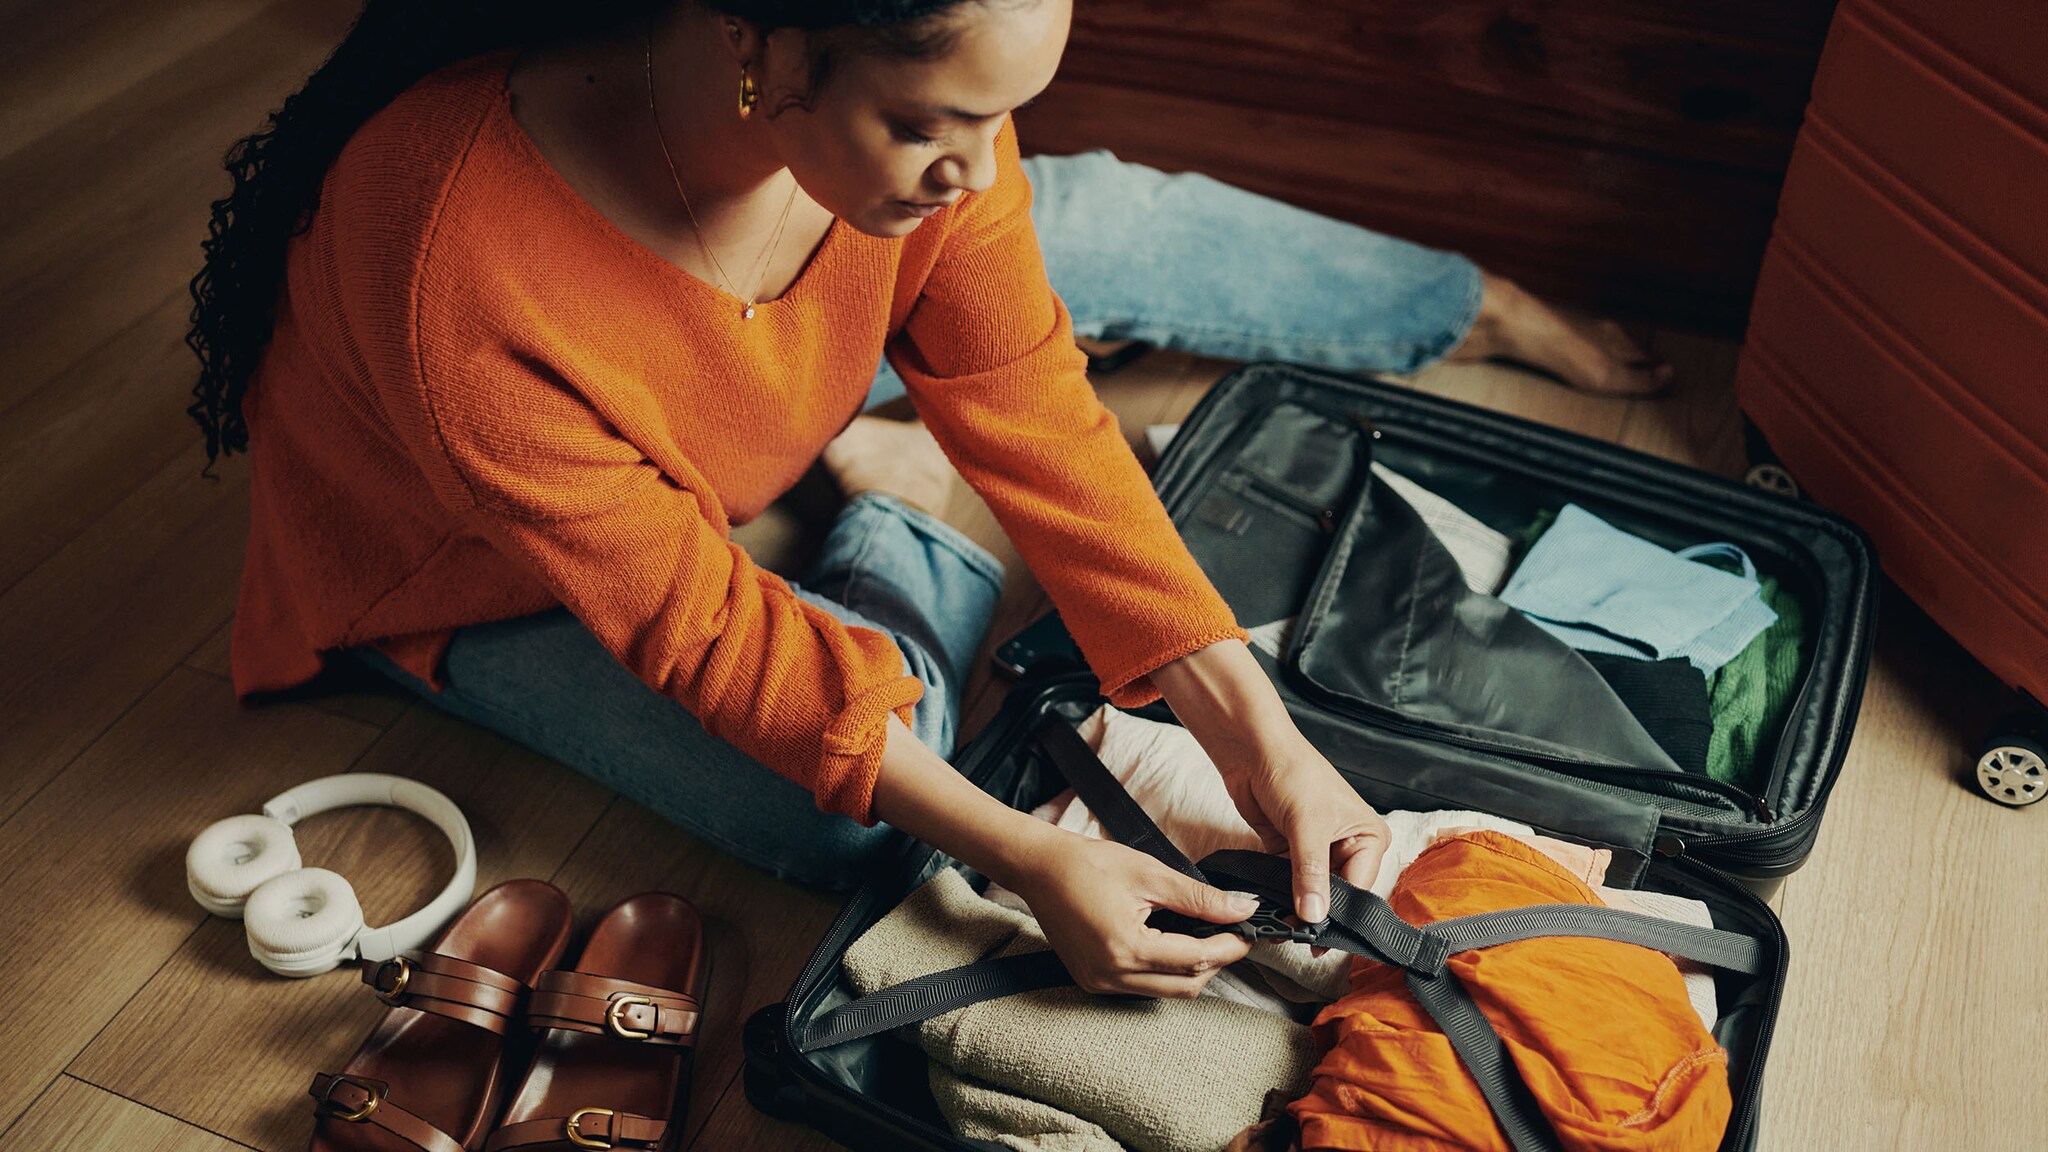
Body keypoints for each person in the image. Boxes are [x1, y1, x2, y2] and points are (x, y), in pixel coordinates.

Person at [186, 0, 1654, 1001]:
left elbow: (1038, 408)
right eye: (936, 122)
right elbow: (701, 630)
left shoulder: (921, 154)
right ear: (764, 49)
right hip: (474, 581)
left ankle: (1470, 305)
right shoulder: (459, 260)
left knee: (1092, 217)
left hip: (758, 408)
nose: (977, 163)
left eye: (1007, 111)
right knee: (862, 829)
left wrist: (1259, 735)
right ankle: (898, 492)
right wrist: (1023, 852)